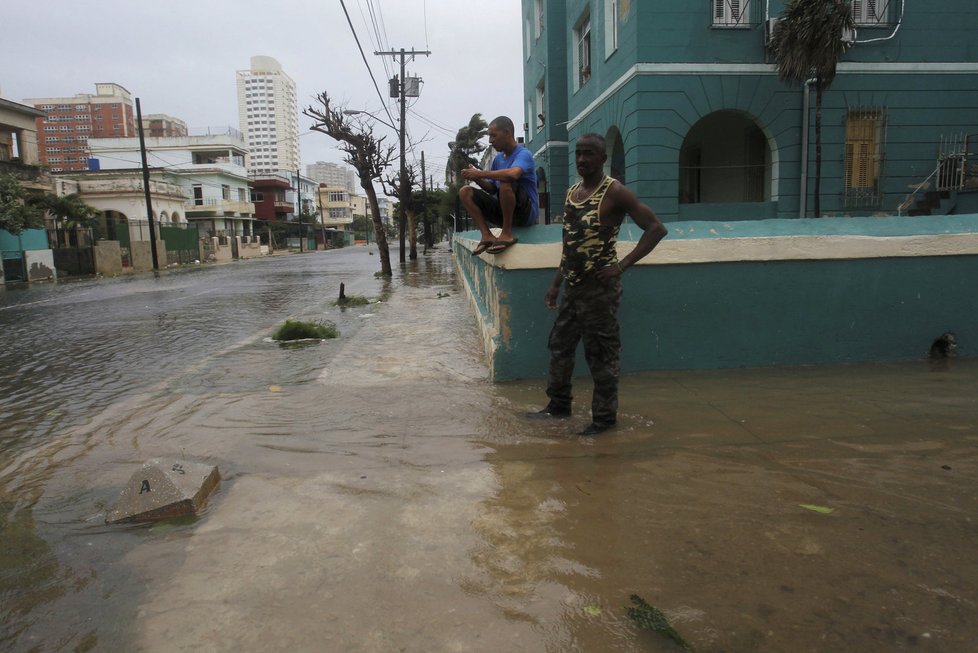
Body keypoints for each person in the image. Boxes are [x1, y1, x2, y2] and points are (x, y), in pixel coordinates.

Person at [529, 133, 668, 435]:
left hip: (599, 291)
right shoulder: (571, 194)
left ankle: (604, 420)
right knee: (560, 347)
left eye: (589, 154)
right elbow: (570, 245)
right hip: (572, 287)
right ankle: (558, 407)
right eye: (578, 153)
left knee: (601, 355)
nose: (581, 159)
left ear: (602, 158)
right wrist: (555, 285)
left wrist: (621, 266)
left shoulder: (615, 192)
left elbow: (656, 229)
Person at [460, 116, 538, 255]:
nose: (490, 140)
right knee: (465, 192)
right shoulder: (498, 159)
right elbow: (492, 189)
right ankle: (486, 235)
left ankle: (507, 233)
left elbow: (512, 175)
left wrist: (481, 174)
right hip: (504, 210)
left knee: (506, 180)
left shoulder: (524, 154)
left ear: (507, 133)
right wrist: (476, 177)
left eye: (493, 135)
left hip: (525, 213)